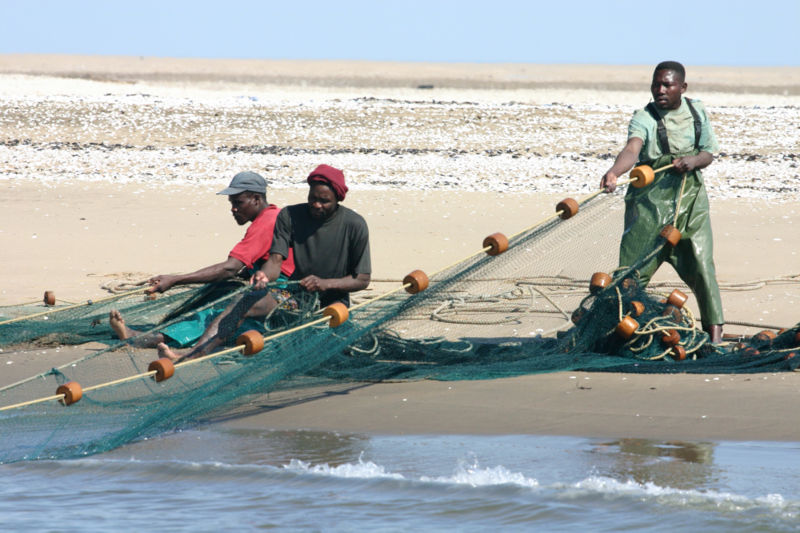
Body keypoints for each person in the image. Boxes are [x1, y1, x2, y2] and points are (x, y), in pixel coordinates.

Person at [157, 164, 371, 362]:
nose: (316, 205)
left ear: (337, 200)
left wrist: (325, 284)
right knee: (244, 302)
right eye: (312, 198)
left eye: (324, 201)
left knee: (336, 350)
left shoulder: (354, 225)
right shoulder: (290, 215)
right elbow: (275, 260)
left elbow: (361, 279)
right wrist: (264, 276)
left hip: (332, 302)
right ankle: (195, 354)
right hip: (294, 296)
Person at [600, 61, 724, 343]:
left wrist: (692, 161)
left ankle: (715, 336)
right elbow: (632, 149)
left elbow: (708, 154)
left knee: (703, 266)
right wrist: (614, 172)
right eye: (656, 84)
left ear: (682, 87)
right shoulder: (644, 116)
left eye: (667, 84)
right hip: (649, 204)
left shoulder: (697, 112)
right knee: (631, 273)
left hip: (690, 202)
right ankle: (617, 332)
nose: (660, 90)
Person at [109, 171, 294, 347]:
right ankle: (163, 336)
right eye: (231, 203)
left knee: (215, 312)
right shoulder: (271, 217)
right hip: (271, 287)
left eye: (238, 202)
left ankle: (153, 339)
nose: (233, 209)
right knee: (216, 298)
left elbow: (230, 268)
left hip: (283, 293)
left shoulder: (266, 223)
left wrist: (175, 279)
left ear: (256, 199)